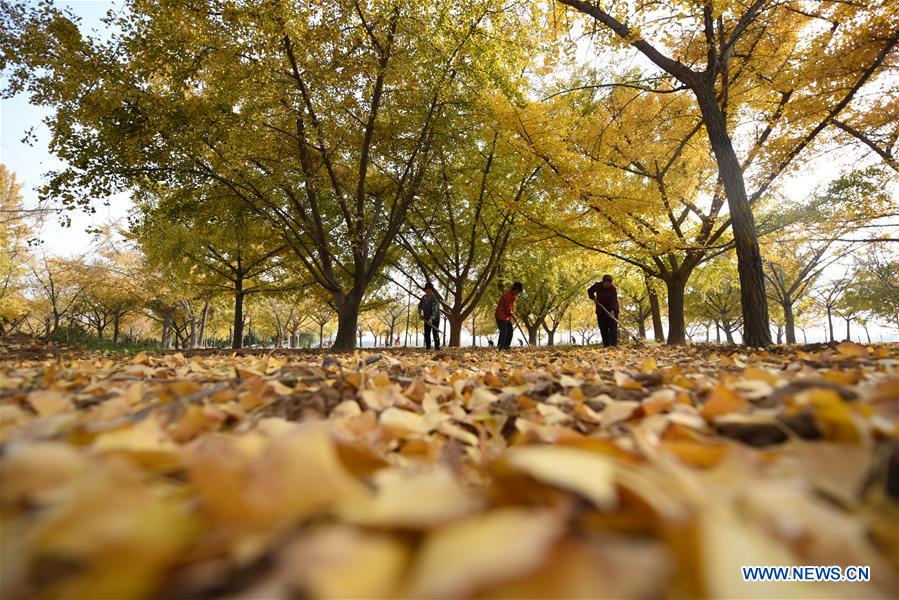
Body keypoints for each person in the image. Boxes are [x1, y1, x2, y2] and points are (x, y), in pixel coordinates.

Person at [588, 274, 620, 347]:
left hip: (612, 309)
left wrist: (612, 311)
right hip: (601, 309)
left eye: (608, 283)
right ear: (603, 282)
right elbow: (590, 291)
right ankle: (606, 345)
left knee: (613, 327)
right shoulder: (597, 285)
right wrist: (593, 298)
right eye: (605, 283)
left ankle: (614, 345)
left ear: (610, 283)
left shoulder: (613, 289)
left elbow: (614, 300)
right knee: (603, 328)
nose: (607, 285)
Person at [494, 282, 523, 349]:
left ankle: (506, 346)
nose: (518, 293)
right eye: (518, 291)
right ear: (515, 289)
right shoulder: (508, 296)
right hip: (500, 316)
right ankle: (500, 347)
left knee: (510, 330)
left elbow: (511, 308)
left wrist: (511, 315)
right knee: (504, 331)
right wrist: (513, 316)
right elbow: (508, 308)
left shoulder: (513, 296)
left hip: (506, 317)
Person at [418, 282, 441, 350]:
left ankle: (437, 348)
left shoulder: (435, 298)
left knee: (435, 333)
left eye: (429, 289)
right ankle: (428, 348)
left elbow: (435, 309)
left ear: (431, 290)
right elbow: (420, 306)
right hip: (426, 319)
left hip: (435, 319)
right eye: (426, 289)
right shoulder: (423, 297)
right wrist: (420, 313)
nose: (427, 291)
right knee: (427, 333)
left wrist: (431, 318)